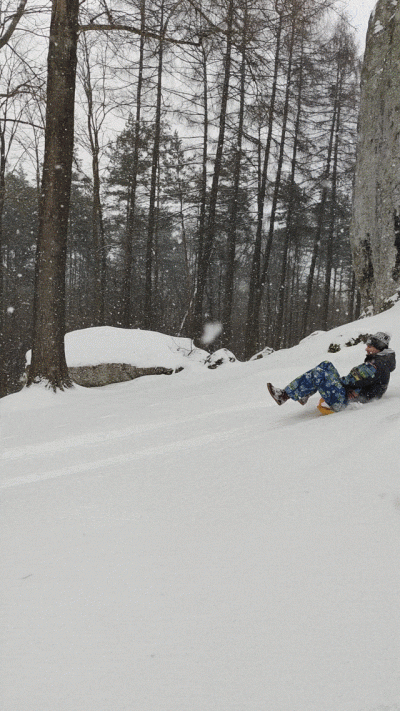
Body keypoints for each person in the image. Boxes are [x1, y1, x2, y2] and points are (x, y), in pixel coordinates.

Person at [267, 332, 396, 413]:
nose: (366, 349)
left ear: (378, 348)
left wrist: (349, 388)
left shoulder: (376, 365)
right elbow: (358, 381)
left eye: (370, 346)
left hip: (344, 402)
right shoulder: (380, 360)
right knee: (326, 365)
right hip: (350, 394)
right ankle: (303, 394)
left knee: (319, 374)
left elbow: (351, 380)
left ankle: (284, 395)